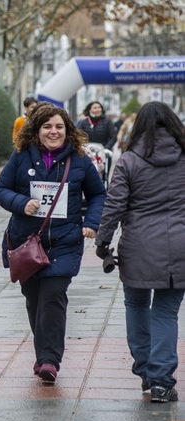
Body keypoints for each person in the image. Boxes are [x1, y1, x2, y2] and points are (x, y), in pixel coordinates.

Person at [0, 103, 106, 383]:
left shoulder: (80, 159)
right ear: (36, 130)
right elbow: (0, 189)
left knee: (53, 298)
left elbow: (98, 195)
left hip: (65, 242)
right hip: (26, 242)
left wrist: (91, 223)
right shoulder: (20, 156)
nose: (53, 132)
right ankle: (43, 352)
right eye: (47, 127)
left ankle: (49, 360)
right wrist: (21, 203)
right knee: (34, 301)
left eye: (59, 127)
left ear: (67, 130)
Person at [95, 101, 185, 403]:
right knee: (166, 312)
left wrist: (102, 242)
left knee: (135, 305)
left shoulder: (129, 160)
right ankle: (161, 380)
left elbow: (114, 205)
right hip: (180, 247)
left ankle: (146, 370)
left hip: (138, 246)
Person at [110, 111, 137, 181]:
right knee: (125, 154)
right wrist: (119, 137)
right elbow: (122, 130)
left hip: (135, 141)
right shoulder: (127, 122)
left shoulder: (138, 122)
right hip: (126, 142)